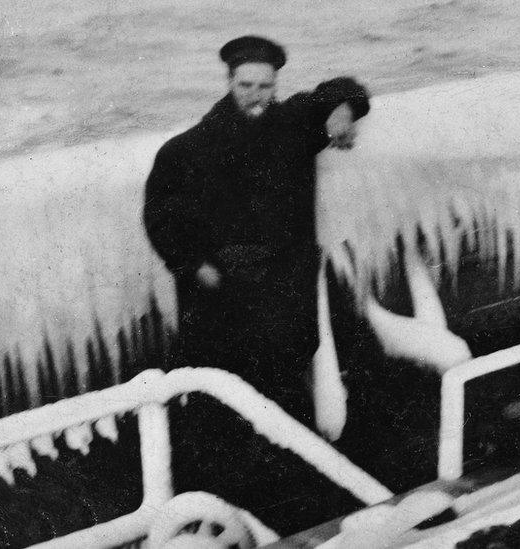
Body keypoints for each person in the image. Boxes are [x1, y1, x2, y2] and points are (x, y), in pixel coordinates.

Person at [142, 36, 372, 532]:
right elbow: (160, 219)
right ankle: (224, 518)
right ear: (229, 82)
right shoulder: (188, 148)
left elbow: (342, 89)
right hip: (219, 305)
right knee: (220, 412)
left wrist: (341, 112)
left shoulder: (293, 127)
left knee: (285, 404)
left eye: (266, 85)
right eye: (246, 85)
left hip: (282, 303)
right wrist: (194, 266)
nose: (256, 94)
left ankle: (295, 518)